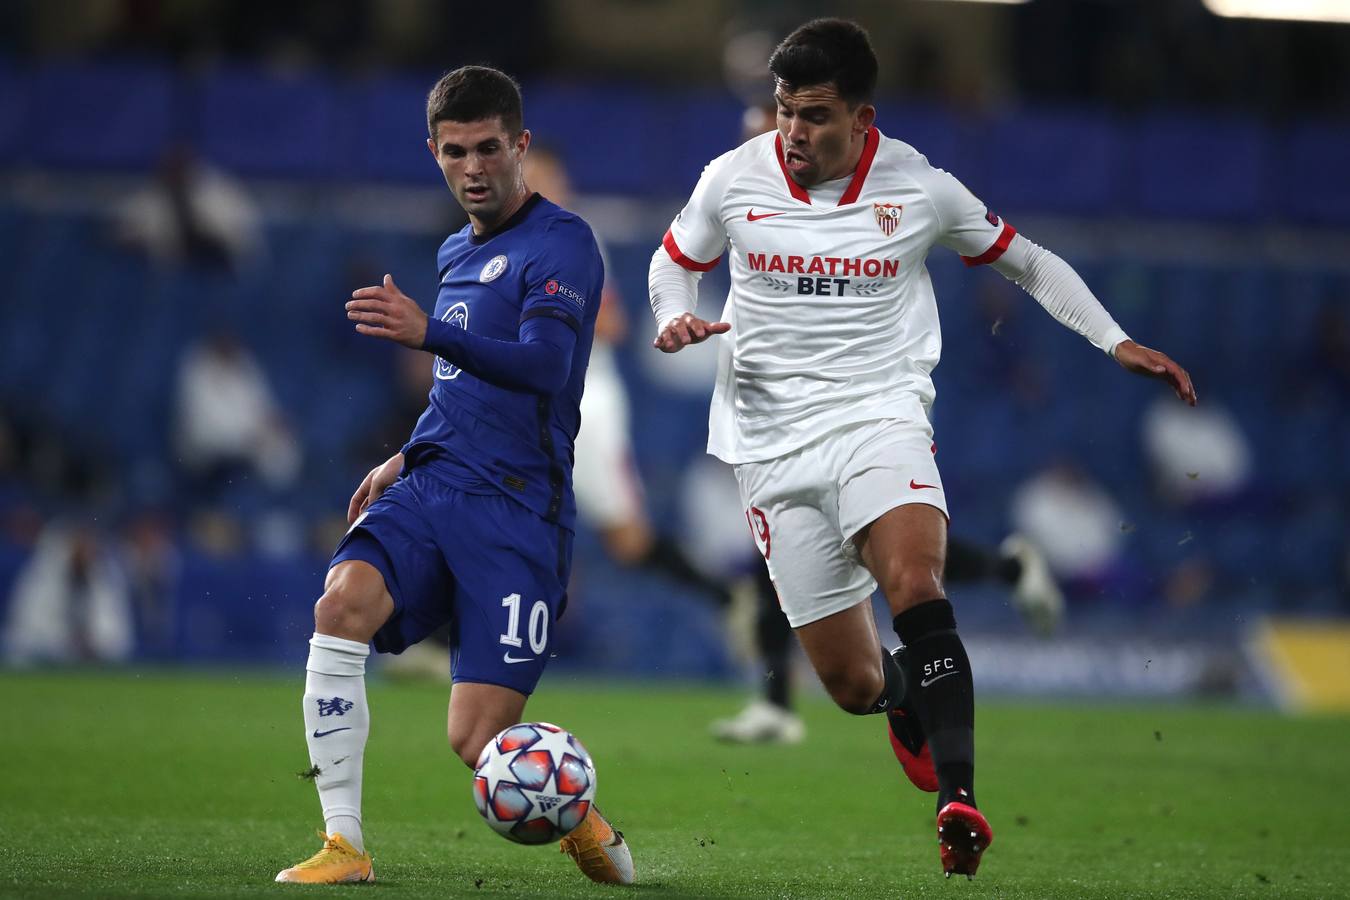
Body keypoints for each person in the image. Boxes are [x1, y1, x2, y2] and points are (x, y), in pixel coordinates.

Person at [648, 19, 1195, 879]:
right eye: (786, 111)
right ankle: (903, 699)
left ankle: (960, 800)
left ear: (863, 118)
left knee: (914, 580)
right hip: (771, 447)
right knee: (853, 686)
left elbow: (1029, 263)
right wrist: (671, 314)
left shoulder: (919, 188)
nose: (793, 132)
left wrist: (1114, 340)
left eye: (815, 115)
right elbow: (672, 260)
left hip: (881, 417)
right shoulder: (732, 178)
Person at [274, 66, 633, 886]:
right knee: (341, 604)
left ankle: (577, 815)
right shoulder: (454, 249)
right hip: (436, 485)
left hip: (519, 514)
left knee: (478, 744)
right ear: (434, 153)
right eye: (454, 152)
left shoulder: (563, 242)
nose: (473, 167)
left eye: (488, 148)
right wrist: (405, 453)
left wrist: (428, 331)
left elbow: (544, 366)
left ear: (521, 147)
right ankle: (345, 844)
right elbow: (463, 387)